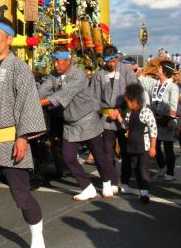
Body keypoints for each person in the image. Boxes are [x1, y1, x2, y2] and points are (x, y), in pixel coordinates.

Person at [0, 18, 46, 248]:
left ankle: (38, 237)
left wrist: (23, 138)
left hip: (11, 142)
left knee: (21, 196)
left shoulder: (19, 68)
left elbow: (28, 104)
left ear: (9, 39)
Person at [39, 46, 113, 201]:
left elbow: (61, 96)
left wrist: (38, 103)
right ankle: (87, 188)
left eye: (58, 61)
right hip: (70, 124)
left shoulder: (78, 76)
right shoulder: (54, 75)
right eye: (53, 62)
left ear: (68, 61)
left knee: (99, 156)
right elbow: (42, 90)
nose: (55, 65)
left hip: (87, 120)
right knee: (68, 157)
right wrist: (32, 96)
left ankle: (107, 183)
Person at [91, 45, 137, 194]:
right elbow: (94, 98)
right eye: (109, 62)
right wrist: (97, 113)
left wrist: (120, 110)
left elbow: (133, 92)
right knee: (107, 151)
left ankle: (125, 181)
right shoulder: (98, 74)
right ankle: (111, 180)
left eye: (114, 61)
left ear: (117, 58)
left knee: (125, 151)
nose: (111, 64)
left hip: (123, 115)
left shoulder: (127, 71)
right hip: (105, 118)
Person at [113, 83, 157, 203]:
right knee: (136, 168)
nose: (126, 104)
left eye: (128, 101)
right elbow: (125, 126)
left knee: (143, 168)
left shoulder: (146, 112)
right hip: (132, 145)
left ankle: (145, 192)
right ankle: (142, 189)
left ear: (135, 100)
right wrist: (119, 118)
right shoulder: (129, 113)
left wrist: (153, 147)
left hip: (145, 146)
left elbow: (153, 130)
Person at [139, 60, 179, 181]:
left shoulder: (173, 86)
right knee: (155, 146)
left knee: (168, 147)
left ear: (165, 71)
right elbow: (141, 79)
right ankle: (162, 167)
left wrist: (171, 120)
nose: (157, 69)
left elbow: (173, 107)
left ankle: (170, 173)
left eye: (160, 68)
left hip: (167, 120)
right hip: (155, 119)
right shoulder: (155, 84)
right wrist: (137, 71)